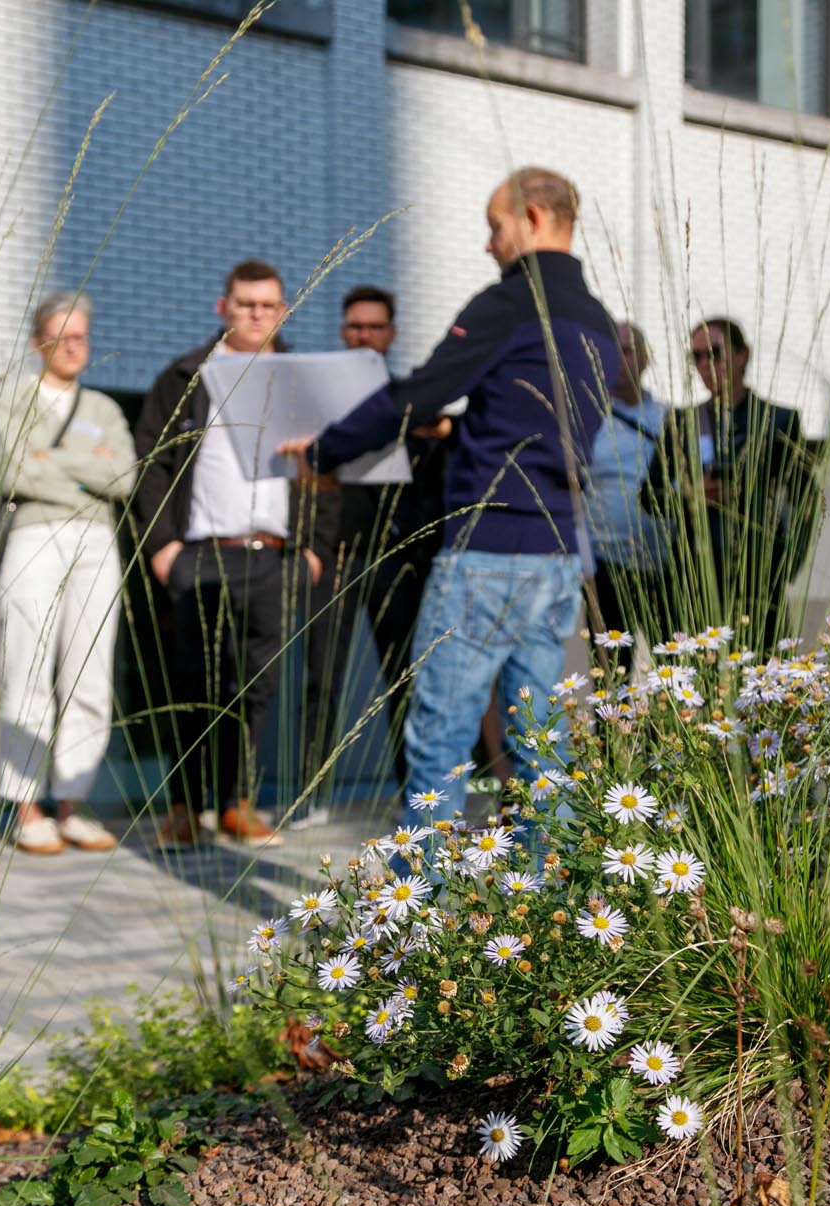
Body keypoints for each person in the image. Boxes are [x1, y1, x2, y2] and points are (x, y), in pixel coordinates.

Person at [281, 167, 620, 828]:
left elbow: (418, 392)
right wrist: (465, 428)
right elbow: (547, 429)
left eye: (496, 227)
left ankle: (423, 911)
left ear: (535, 219)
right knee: (537, 745)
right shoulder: (599, 320)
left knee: (439, 741)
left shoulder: (512, 302)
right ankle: (542, 903)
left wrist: (323, 452)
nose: (488, 245)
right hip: (555, 555)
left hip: (485, 551)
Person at [133, 258, 335, 848]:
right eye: (245, 304)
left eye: (268, 305)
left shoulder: (301, 381)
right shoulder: (185, 377)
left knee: (258, 685)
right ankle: (183, 807)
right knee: (193, 684)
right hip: (199, 555)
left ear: (283, 311)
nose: (256, 314)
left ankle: (238, 803)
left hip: (274, 558)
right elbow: (154, 463)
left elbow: (328, 473)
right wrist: (162, 548)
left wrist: (314, 553)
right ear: (222, 307)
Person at [0, 292, 136, 855]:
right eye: (61, 337)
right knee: (27, 666)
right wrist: (83, 471)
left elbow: (122, 477)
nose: (73, 347)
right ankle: (26, 805)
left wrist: (58, 463)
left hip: (98, 539)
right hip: (33, 535)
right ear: (37, 341)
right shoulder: (12, 397)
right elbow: (15, 470)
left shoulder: (104, 409)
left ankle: (72, 802)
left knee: (90, 673)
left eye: (81, 337)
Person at [291, 284, 448, 829]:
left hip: (395, 555)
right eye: (355, 326)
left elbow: (435, 474)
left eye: (374, 327)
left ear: (392, 333)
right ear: (341, 330)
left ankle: (416, 794)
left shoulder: (412, 398)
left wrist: (430, 435)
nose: (364, 335)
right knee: (320, 678)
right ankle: (309, 797)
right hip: (332, 553)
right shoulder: (318, 402)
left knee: (404, 677)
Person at [658, 317, 816, 645]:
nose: (705, 365)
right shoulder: (681, 421)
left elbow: (806, 498)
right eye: (696, 357)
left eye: (714, 353)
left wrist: (787, 564)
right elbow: (650, 494)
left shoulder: (778, 419)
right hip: (695, 578)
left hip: (758, 576)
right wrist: (689, 495)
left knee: (765, 675)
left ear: (742, 355)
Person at [584, 322, 673, 647]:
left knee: (676, 671)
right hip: (608, 569)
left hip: (666, 566)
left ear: (646, 358)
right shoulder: (586, 420)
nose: (620, 359)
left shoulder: (671, 418)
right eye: (611, 350)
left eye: (627, 349)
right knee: (611, 680)